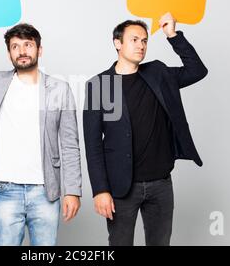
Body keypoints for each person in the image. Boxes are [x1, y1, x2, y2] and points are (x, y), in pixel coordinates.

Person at [0, 21, 82, 246]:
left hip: (45, 192)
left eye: (28, 45)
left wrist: (73, 191)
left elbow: (70, 144)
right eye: (15, 46)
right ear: (9, 53)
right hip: (6, 190)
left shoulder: (59, 89)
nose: (22, 51)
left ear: (39, 50)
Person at [83, 12, 208, 246]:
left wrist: (172, 35)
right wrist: (100, 190)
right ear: (117, 43)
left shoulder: (158, 73)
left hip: (160, 183)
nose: (141, 45)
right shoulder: (99, 85)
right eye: (134, 40)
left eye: (144, 40)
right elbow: (92, 145)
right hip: (121, 188)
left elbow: (197, 70)